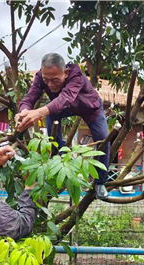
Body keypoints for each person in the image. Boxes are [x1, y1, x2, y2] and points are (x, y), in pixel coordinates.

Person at [15, 52, 110, 199]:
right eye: (47, 80)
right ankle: (61, 161)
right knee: (51, 121)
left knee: (104, 138)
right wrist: (24, 112)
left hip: (89, 107)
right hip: (61, 109)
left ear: (65, 73)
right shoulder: (41, 77)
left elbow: (65, 98)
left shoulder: (76, 75)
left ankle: (101, 182)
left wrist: (38, 113)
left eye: (55, 80)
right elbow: (30, 97)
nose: (50, 84)